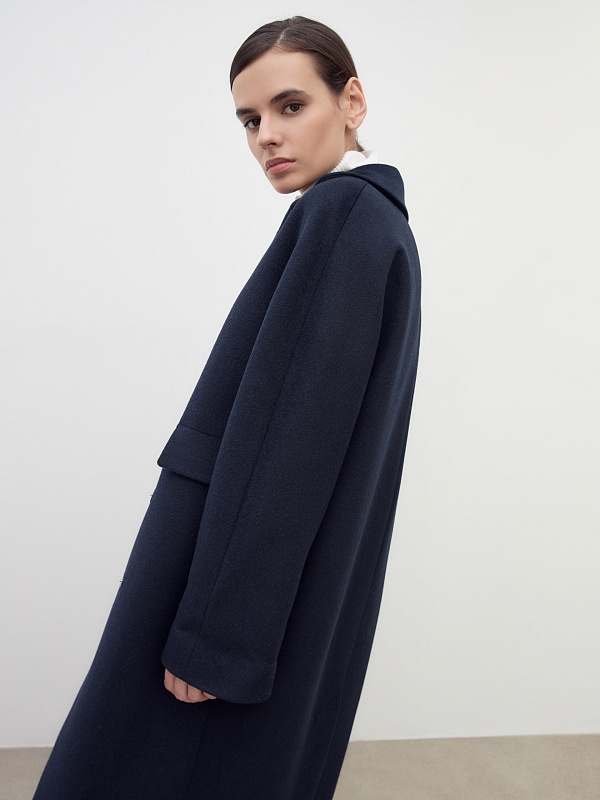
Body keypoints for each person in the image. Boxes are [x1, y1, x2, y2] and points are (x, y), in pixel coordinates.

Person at [33, 16, 421, 800]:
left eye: (290, 106)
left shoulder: (341, 217)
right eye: (249, 119)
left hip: (220, 592)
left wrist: (217, 638)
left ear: (352, 101)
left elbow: (291, 444)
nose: (266, 136)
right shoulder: (377, 224)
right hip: (273, 592)